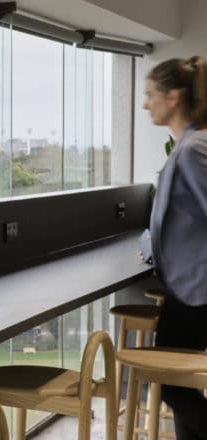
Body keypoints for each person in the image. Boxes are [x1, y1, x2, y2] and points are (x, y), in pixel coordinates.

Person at [143, 56, 207, 440]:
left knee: (169, 383)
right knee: (177, 383)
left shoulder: (193, 148)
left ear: (174, 96)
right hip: (188, 286)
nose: (146, 103)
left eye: (151, 94)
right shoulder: (188, 143)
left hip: (196, 290)